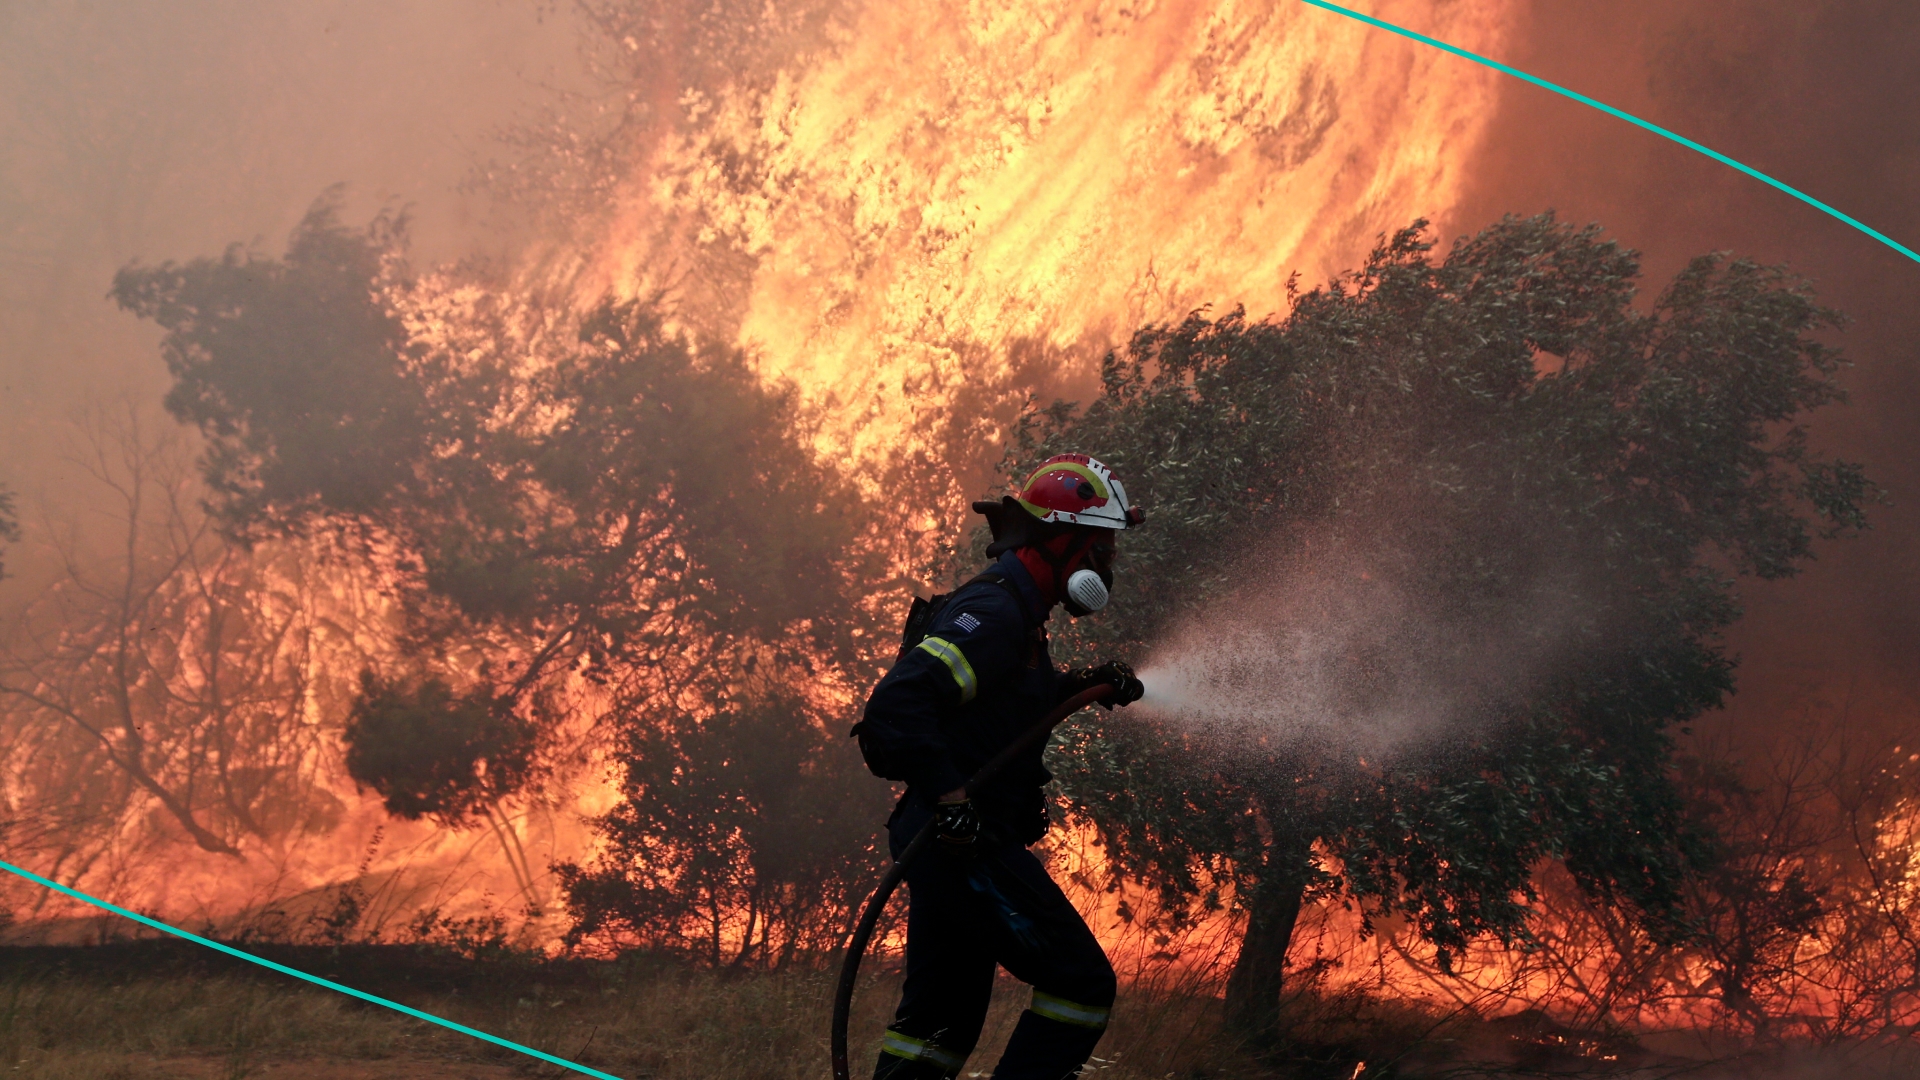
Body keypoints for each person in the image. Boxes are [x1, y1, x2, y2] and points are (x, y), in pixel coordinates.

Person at [852, 454, 1148, 1080]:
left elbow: (1000, 713)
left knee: (940, 1024)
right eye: (1102, 548)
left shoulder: (1020, 615)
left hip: (947, 839)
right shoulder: (995, 612)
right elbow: (897, 705)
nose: (1107, 565)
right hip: (958, 840)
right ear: (1063, 540)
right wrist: (952, 801)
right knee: (1080, 982)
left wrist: (1085, 685)